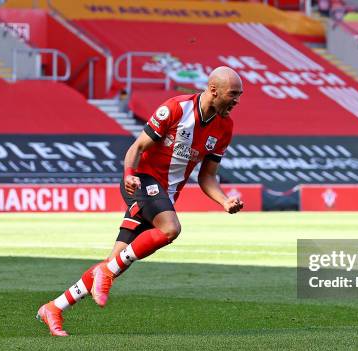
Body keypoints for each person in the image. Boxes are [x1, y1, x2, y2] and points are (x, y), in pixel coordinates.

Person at [36, 66, 245, 336]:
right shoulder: (175, 109)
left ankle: (54, 307)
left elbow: (208, 176)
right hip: (143, 181)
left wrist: (224, 201)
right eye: (233, 94)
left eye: (239, 95)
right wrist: (129, 175)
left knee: (114, 261)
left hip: (165, 195)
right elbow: (137, 148)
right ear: (214, 90)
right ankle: (106, 274)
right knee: (171, 229)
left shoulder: (224, 127)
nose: (237, 100)